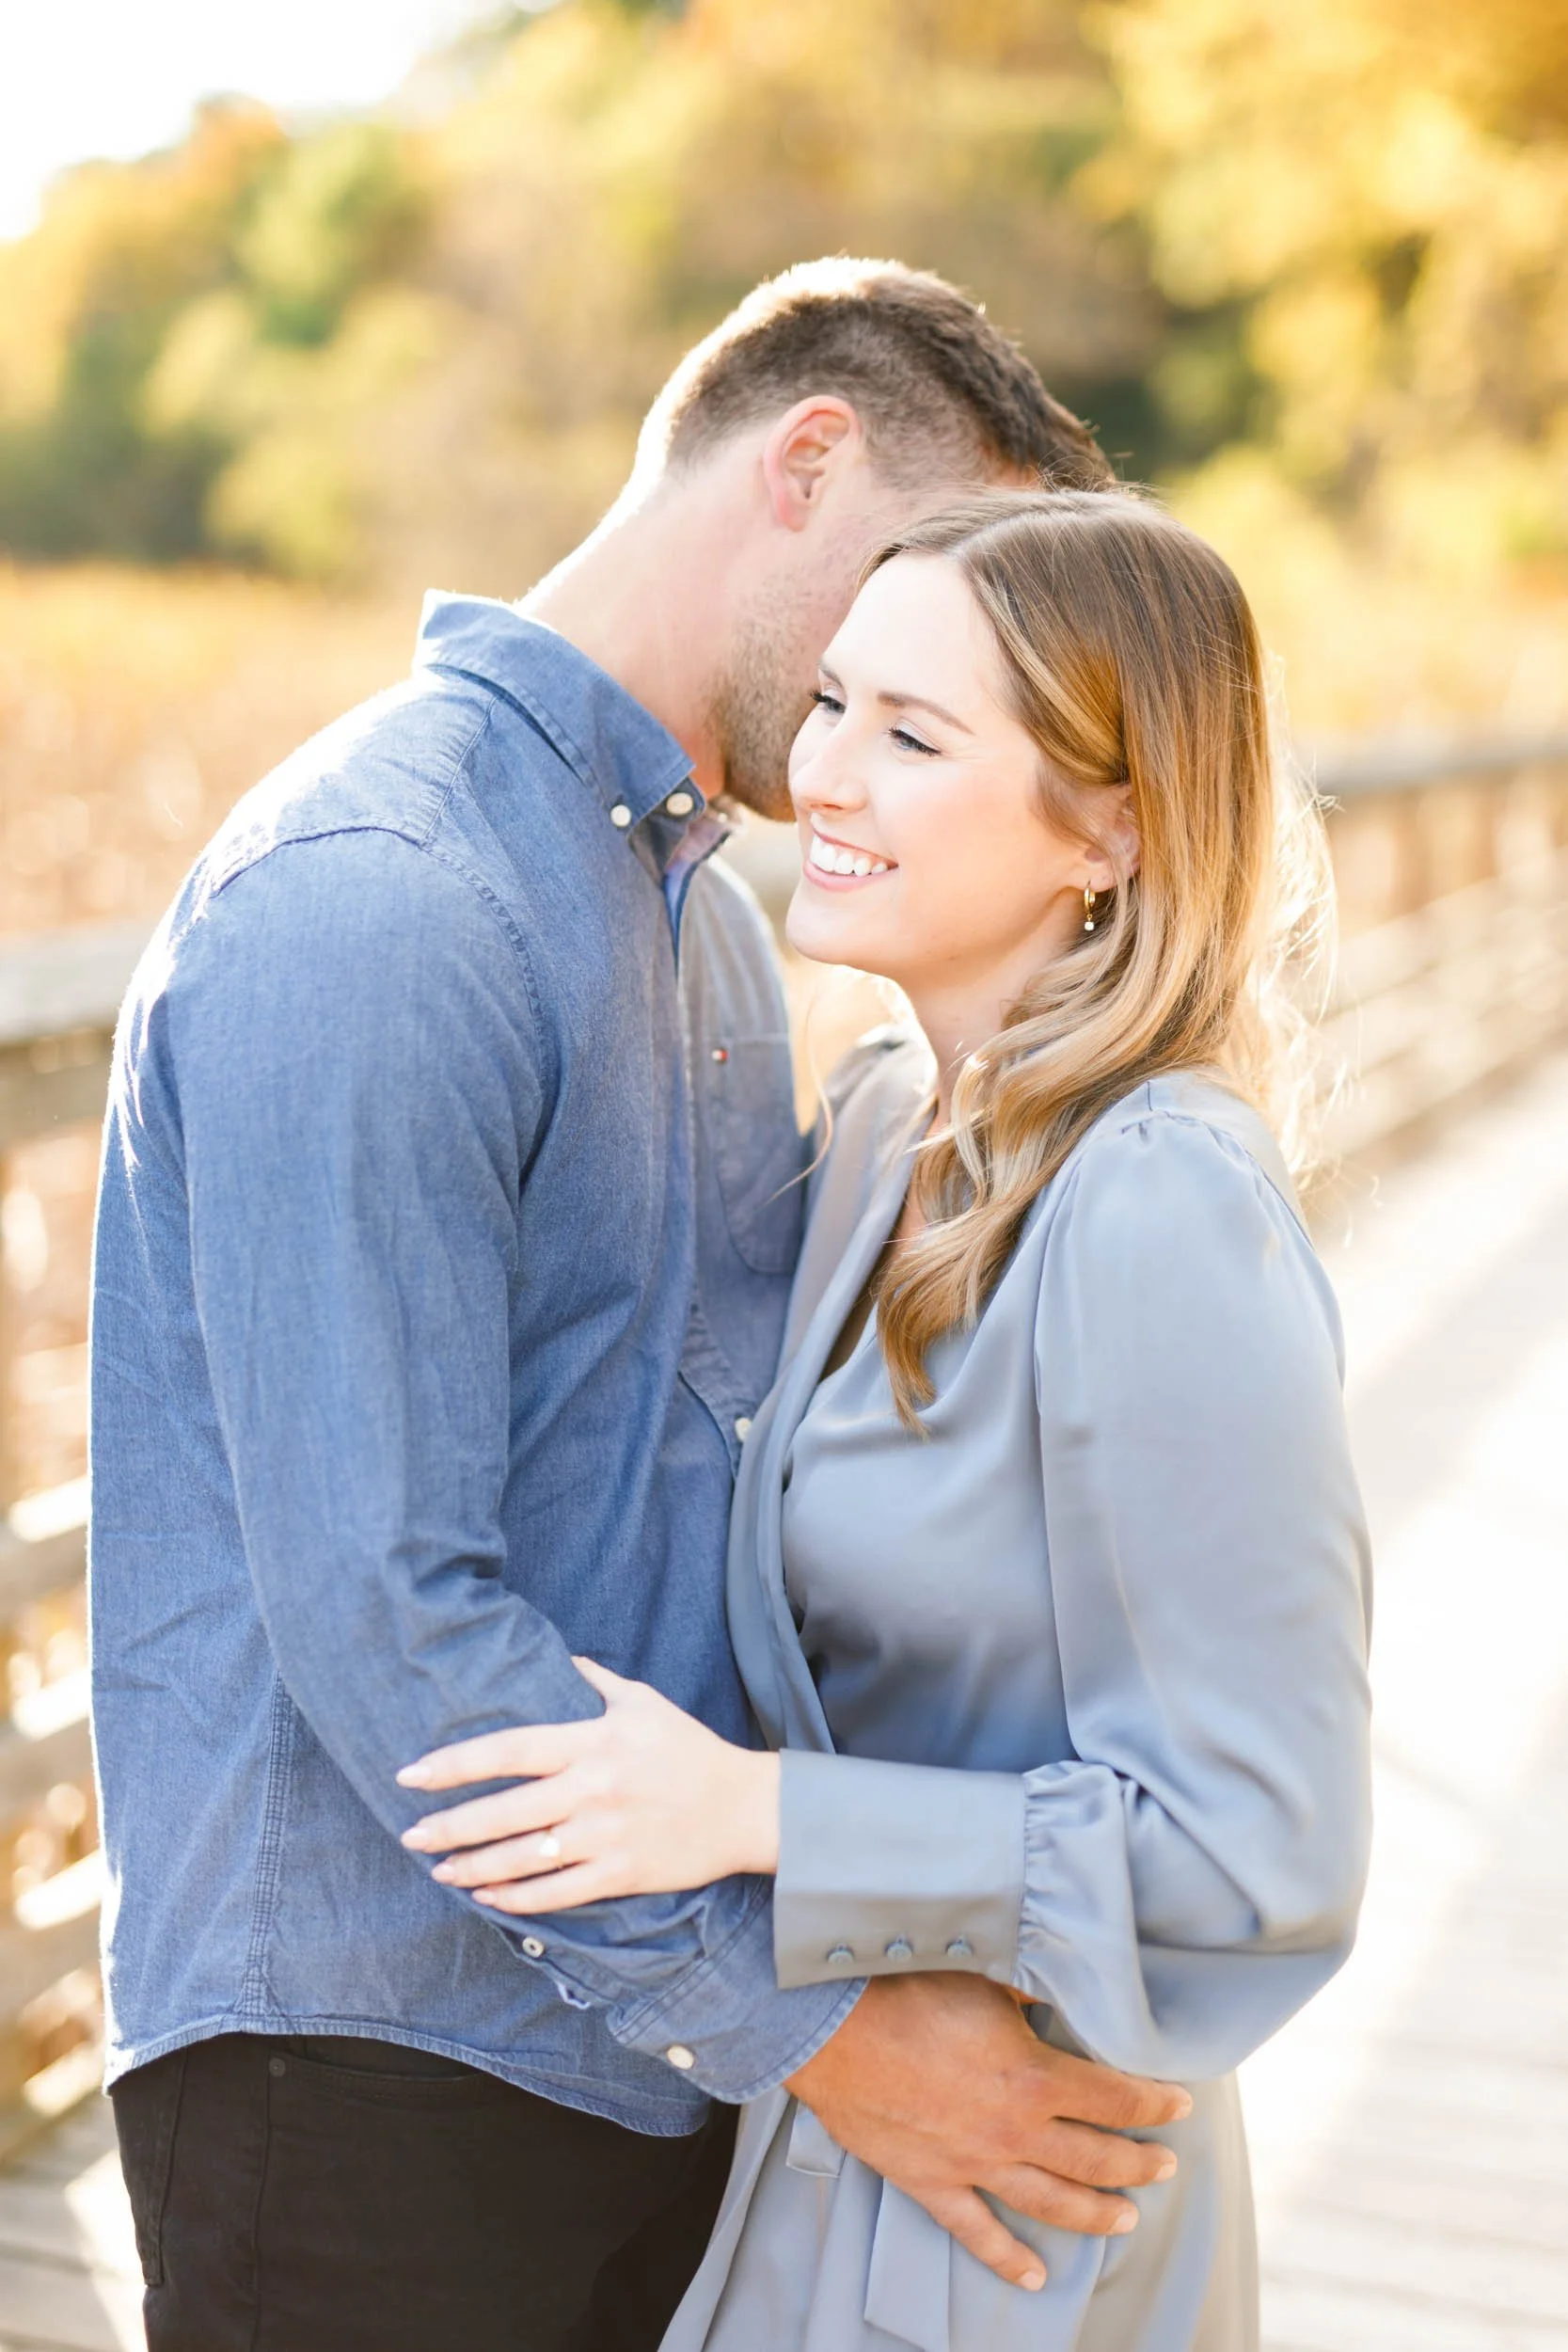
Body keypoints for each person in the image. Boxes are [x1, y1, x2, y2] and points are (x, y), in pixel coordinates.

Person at [89, 265, 1191, 2352]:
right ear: (802, 464)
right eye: (931, 572)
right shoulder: (382, 891)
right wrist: (824, 2031)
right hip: (366, 2082)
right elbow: (386, 1607)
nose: (937, 663)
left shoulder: (704, 932)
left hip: (640, 2066)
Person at [398, 487, 1375, 2352]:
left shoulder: (1157, 1197)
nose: (823, 772)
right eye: (832, 699)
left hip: (1033, 2201)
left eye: (913, 734)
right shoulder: (874, 1130)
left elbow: (1261, 1848)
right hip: (834, 2146)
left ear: (1111, 827)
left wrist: (753, 1811)